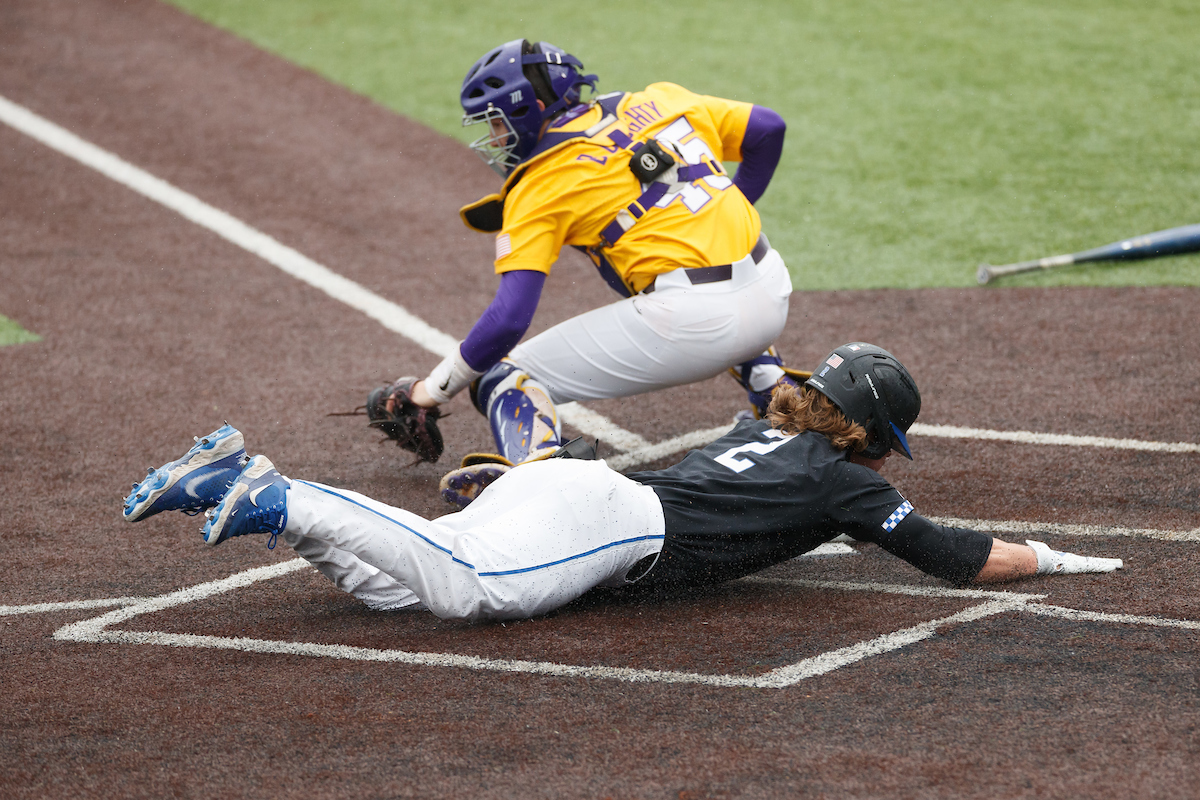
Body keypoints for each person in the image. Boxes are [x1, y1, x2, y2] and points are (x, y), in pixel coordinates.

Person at [123, 343, 1122, 620]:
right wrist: (1056, 555)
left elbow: (766, 377)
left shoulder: (759, 422)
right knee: (472, 588)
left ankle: (268, 510)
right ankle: (274, 491)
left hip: (570, 489)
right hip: (610, 523)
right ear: (868, 433)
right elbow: (950, 557)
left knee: (395, 589)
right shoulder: (847, 487)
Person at [384, 38, 798, 508]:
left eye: (496, 123)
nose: (494, 139)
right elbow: (768, 128)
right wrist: (733, 203)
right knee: (710, 275)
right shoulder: (654, 99)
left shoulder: (539, 182)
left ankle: (540, 479)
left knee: (500, 378)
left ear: (530, 110)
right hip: (772, 287)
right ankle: (779, 396)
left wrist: (430, 391)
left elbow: (509, 319)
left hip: (695, 324)